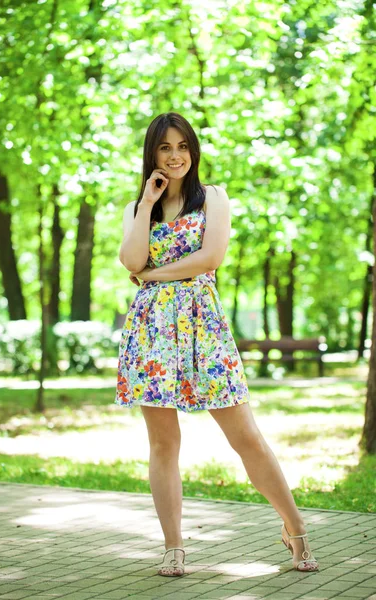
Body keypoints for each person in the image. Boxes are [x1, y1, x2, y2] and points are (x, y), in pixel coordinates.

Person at [115, 112, 319, 577]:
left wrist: (151, 275)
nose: (175, 156)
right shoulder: (135, 209)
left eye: (182, 146)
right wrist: (146, 205)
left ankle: (296, 529)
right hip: (151, 333)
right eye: (165, 147)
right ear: (152, 154)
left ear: (194, 150)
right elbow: (129, 257)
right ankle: (174, 548)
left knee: (245, 435)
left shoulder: (214, 199)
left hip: (203, 329)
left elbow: (210, 258)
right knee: (163, 443)